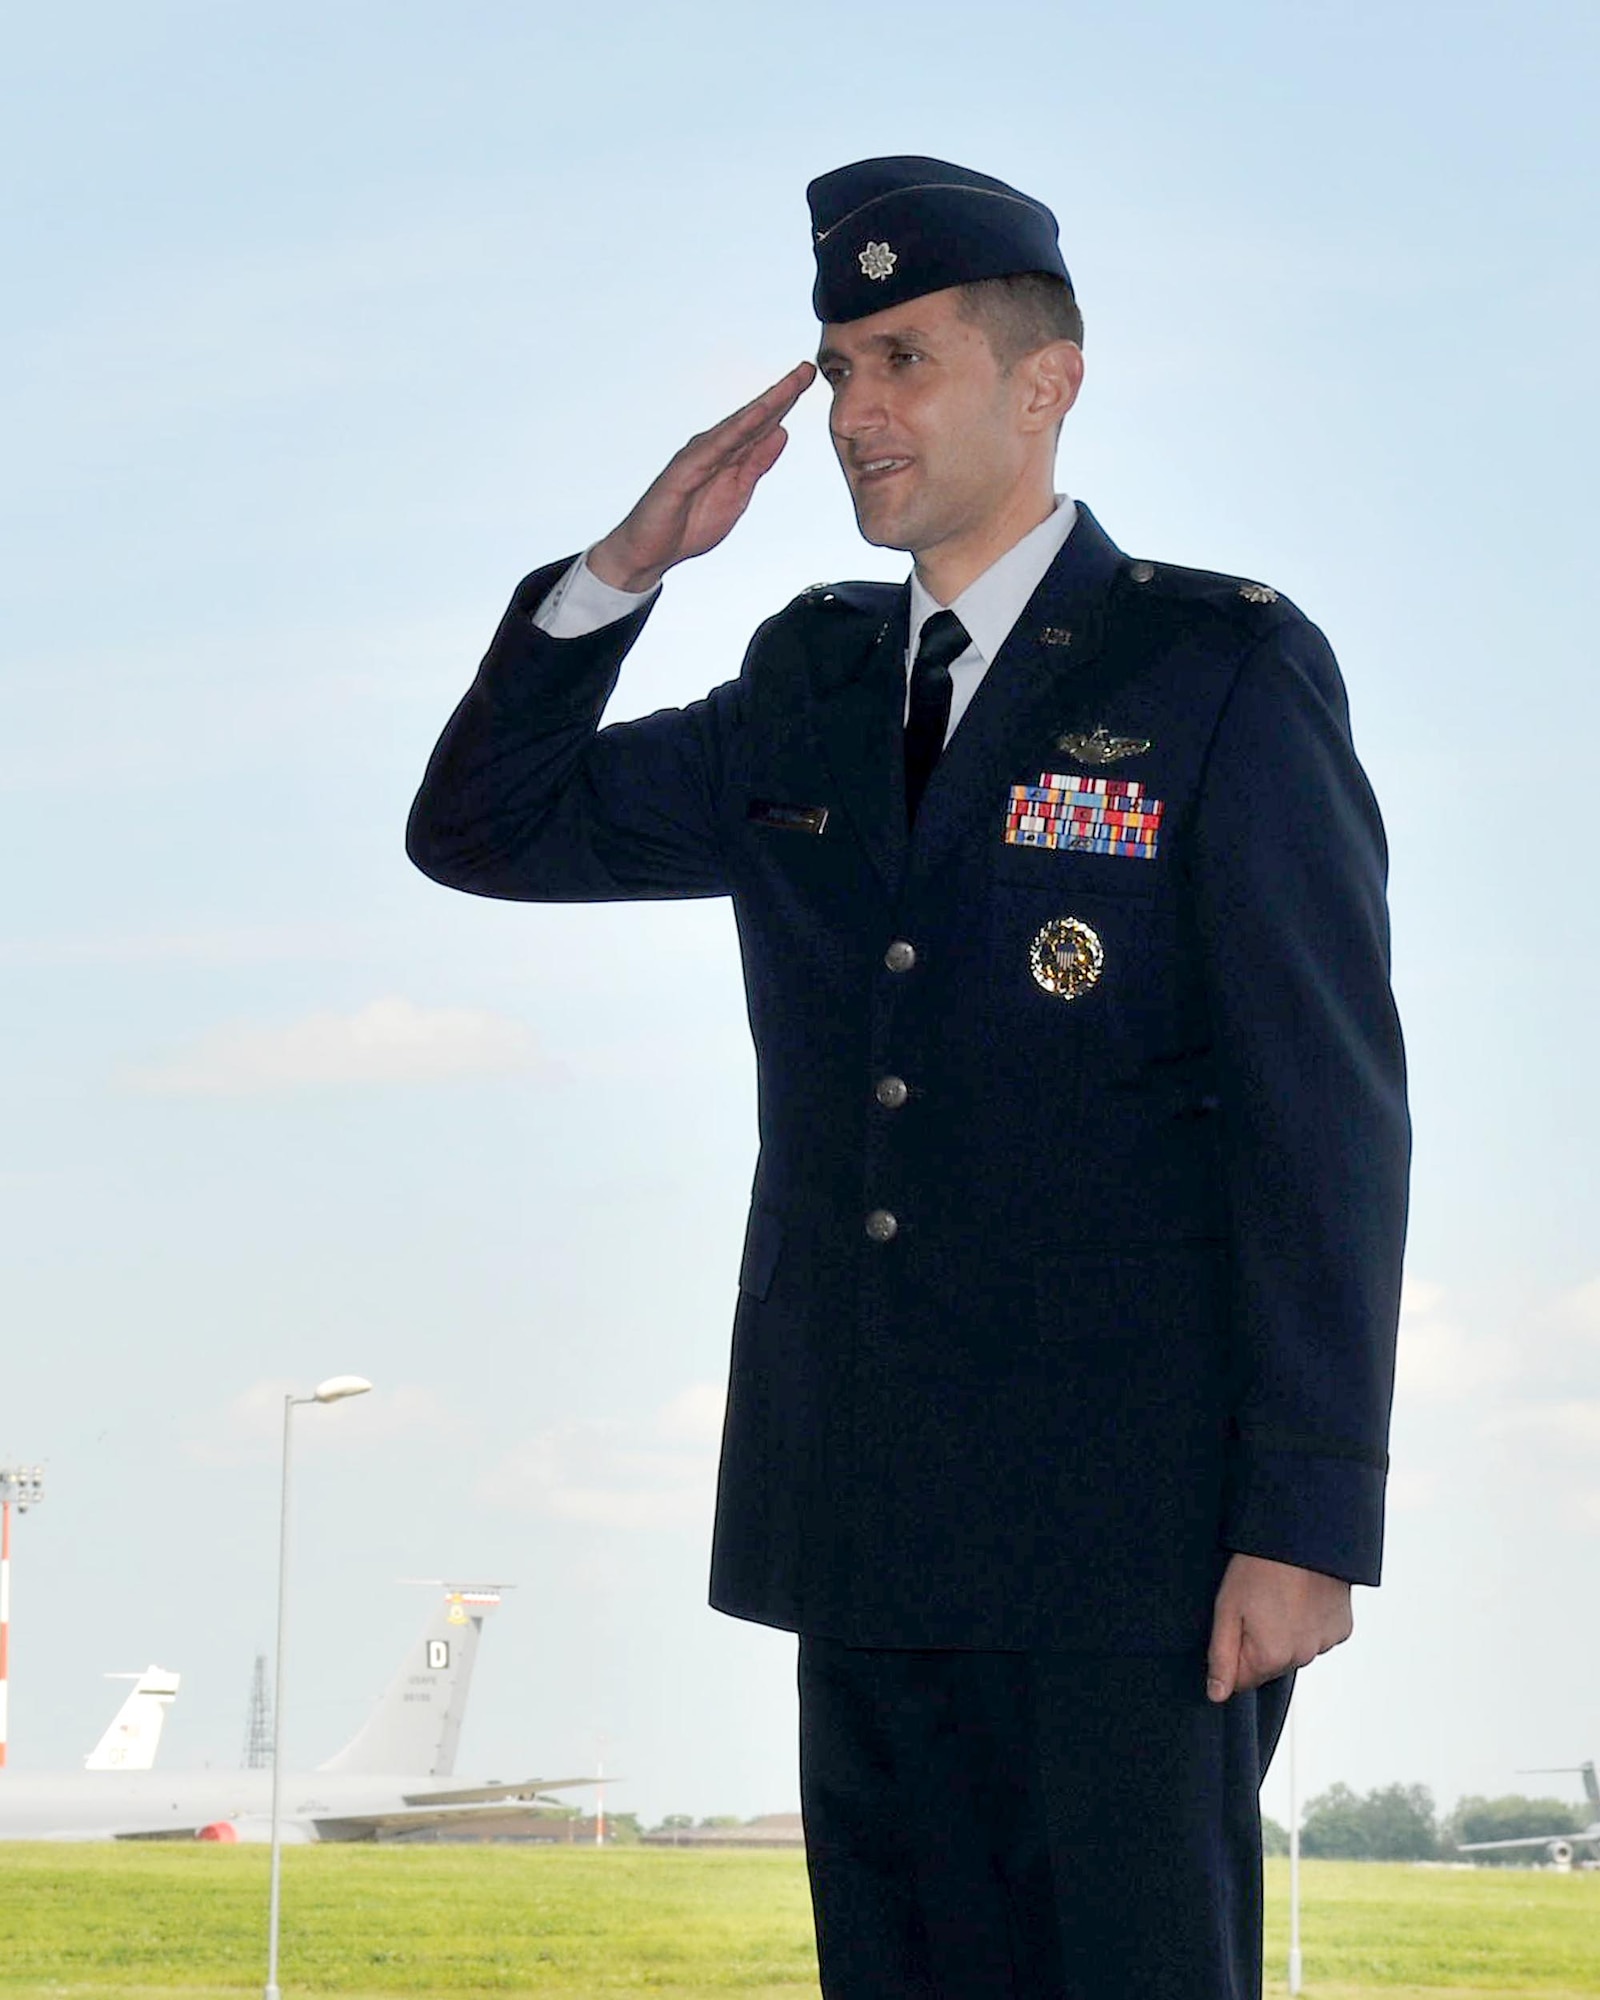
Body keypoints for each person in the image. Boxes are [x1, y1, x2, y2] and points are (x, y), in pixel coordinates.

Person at [407, 155, 1409, 1998]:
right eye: (838, 366)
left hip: (1134, 1541)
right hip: (864, 1507)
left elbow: (1324, 1117)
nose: (858, 412)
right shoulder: (813, 683)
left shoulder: (1219, 672)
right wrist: (629, 569)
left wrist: (1308, 1516)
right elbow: (484, 827)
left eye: (903, 359)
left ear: (1047, 382)